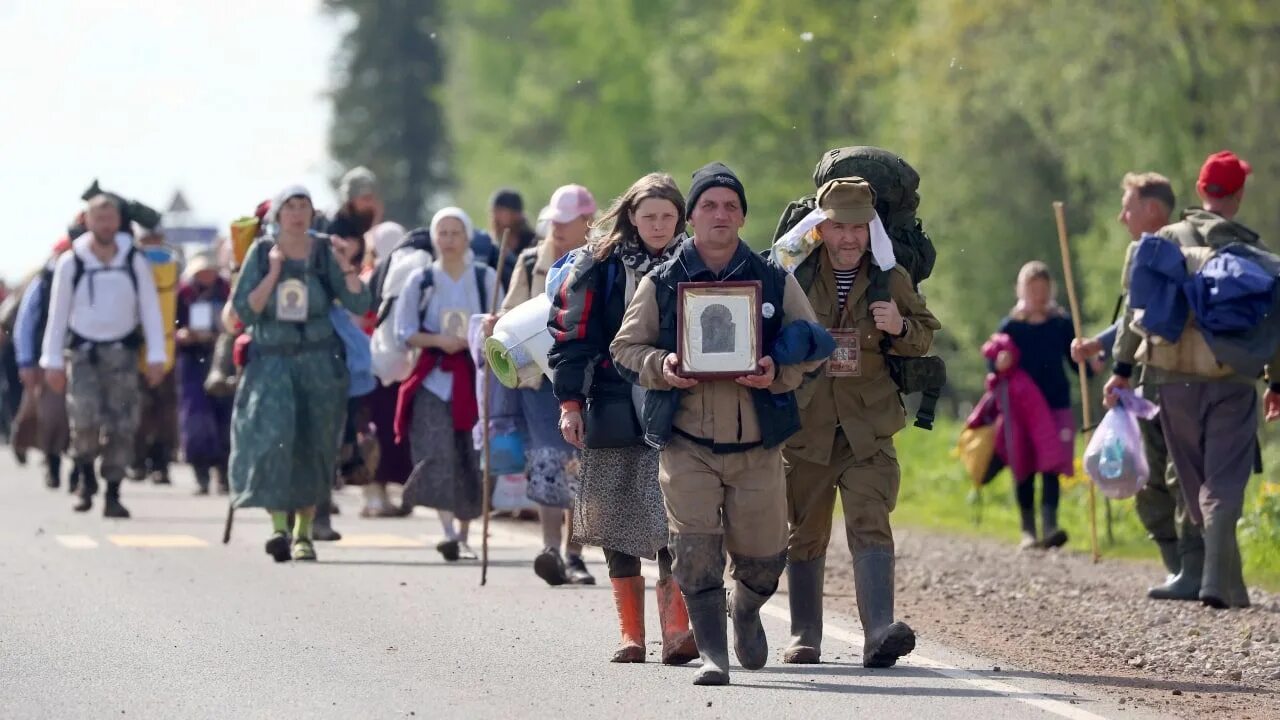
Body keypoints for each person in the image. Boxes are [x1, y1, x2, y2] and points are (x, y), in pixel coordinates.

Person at [611, 162, 825, 686]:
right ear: (691, 217)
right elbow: (625, 348)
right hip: (687, 444)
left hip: (757, 444)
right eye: (708, 205)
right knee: (695, 552)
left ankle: (747, 610)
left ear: (744, 218)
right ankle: (713, 656)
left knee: (764, 560)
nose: (720, 214)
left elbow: (814, 343)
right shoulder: (663, 283)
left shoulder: (774, 278)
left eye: (731, 206)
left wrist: (778, 371)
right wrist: (662, 367)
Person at [1107, 150, 1278, 609]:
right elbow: (1273, 326)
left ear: (1200, 189)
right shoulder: (1257, 255)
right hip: (1231, 380)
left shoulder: (1159, 241)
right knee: (1223, 483)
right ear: (1238, 195)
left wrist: (1121, 372)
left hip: (1170, 378)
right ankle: (1218, 585)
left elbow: (1133, 317)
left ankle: (1221, 582)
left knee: (1192, 481)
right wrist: (1276, 384)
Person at [781, 178, 940, 667]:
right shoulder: (796, 276)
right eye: (839, 227)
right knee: (805, 531)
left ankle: (877, 633)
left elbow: (925, 336)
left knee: (871, 524)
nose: (849, 238)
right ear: (821, 228)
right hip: (807, 427)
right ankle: (804, 635)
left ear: (871, 229)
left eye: (858, 227)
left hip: (868, 427)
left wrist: (900, 326)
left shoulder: (889, 278)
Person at [548, 173, 698, 665]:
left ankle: (677, 633)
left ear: (681, 218)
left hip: (679, 402)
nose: (658, 225)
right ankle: (631, 636)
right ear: (632, 217)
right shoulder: (600, 266)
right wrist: (570, 403)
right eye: (649, 215)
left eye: (667, 216)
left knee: (671, 516)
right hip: (610, 402)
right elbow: (572, 337)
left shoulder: (699, 263)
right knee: (616, 520)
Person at [229, 185, 370, 562]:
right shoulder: (261, 254)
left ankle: (303, 533)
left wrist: (344, 264)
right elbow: (246, 310)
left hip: (320, 365)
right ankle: (278, 528)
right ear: (277, 215)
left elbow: (359, 300)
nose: (296, 213)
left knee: (315, 445)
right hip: (272, 364)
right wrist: (274, 270)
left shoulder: (325, 253)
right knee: (274, 441)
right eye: (289, 206)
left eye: (303, 205)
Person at [1070, 173, 1195, 599]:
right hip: (1187, 381)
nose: (1122, 215)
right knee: (1171, 475)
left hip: (1154, 383)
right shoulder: (1191, 246)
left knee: (1158, 477)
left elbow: (1138, 317)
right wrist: (1098, 343)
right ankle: (1186, 571)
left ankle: (1186, 571)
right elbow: (1132, 319)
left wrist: (1118, 370)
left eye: (1129, 206)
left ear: (1153, 210)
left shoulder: (1151, 250)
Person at [485, 184, 599, 586]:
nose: (558, 227)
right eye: (555, 220)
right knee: (547, 463)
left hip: (584, 380)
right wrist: (495, 321)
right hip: (538, 381)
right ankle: (551, 548)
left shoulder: (601, 261)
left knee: (581, 468)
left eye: (566, 221)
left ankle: (575, 553)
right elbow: (512, 309)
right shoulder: (532, 259)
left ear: (588, 220)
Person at [40, 193, 168, 518]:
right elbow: (58, 314)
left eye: (111, 218)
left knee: (122, 425)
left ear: (118, 222)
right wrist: (51, 361)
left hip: (122, 354)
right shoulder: (73, 261)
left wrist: (157, 355)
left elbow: (151, 309)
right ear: (88, 221)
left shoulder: (133, 259)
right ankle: (84, 479)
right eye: (99, 218)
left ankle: (113, 491)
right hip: (83, 354)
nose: (106, 224)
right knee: (83, 422)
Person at [394, 207, 499, 561]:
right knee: (436, 452)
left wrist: (479, 338)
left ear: (467, 236)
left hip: (475, 379)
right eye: (443, 232)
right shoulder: (420, 280)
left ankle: (466, 532)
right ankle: (448, 532)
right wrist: (440, 341)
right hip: (433, 377)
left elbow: (500, 323)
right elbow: (404, 331)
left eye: (456, 232)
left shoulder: (485, 278)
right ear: (434, 238)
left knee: (472, 454)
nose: (450, 239)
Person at [990, 261, 1093, 549]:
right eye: (1032, 288)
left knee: (1052, 463)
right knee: (1023, 464)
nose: (1038, 295)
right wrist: (999, 363)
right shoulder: (1011, 326)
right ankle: (1028, 530)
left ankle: (1050, 525)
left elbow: (1076, 361)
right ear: (1020, 290)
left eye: (1043, 289)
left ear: (1051, 290)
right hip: (1021, 409)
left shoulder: (1060, 323)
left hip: (1055, 402)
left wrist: (1090, 363)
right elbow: (995, 363)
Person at [12, 238, 76, 491]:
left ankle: (79, 469)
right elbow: (25, 325)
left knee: (79, 417)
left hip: (80, 356)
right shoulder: (44, 282)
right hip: (46, 359)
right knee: (48, 414)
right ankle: (50, 459)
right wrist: (26, 361)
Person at [175, 251, 233, 495]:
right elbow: (172, 325)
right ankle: (200, 474)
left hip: (222, 359)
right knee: (196, 417)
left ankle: (224, 474)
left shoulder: (228, 290)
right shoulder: (184, 294)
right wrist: (184, 335)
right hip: (192, 360)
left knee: (225, 416)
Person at [129, 227, 182, 485]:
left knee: (164, 414)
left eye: (155, 239)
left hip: (167, 351)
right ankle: (137, 461)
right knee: (138, 411)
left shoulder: (173, 267)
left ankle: (161, 464)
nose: (151, 244)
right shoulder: (127, 266)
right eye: (146, 239)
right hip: (135, 350)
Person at [471, 188, 537, 291]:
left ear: (515, 214)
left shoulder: (532, 241)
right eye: (494, 211)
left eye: (500, 211)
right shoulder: (488, 244)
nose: (494, 216)